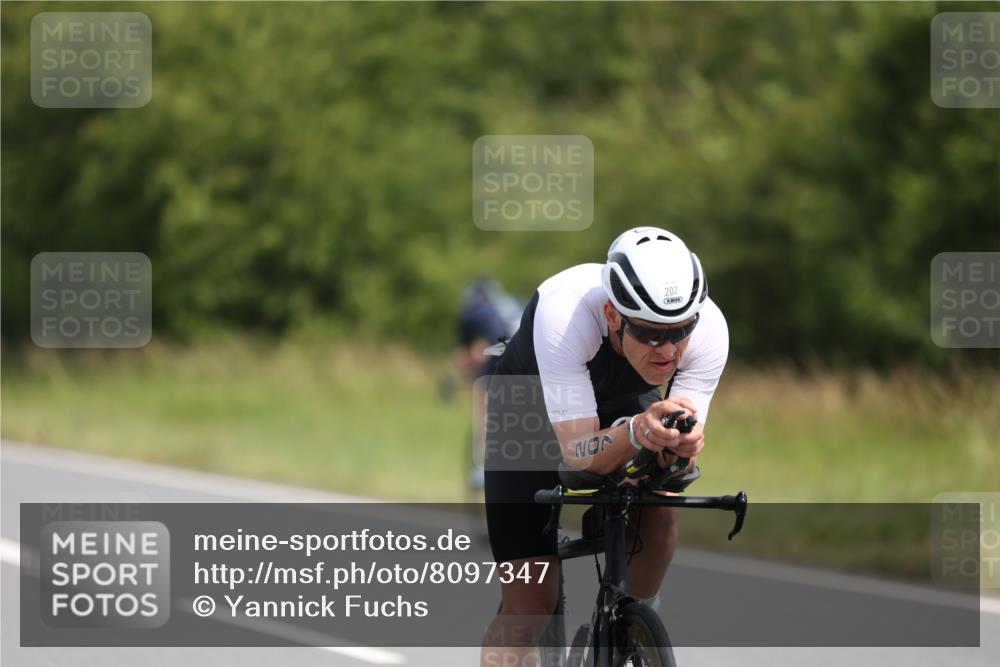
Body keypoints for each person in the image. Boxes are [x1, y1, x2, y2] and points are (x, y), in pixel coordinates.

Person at [480, 227, 729, 666]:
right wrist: (635, 433)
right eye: (651, 334)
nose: (669, 350)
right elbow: (577, 451)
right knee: (531, 606)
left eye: (680, 331)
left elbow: (679, 450)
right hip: (529, 412)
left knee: (662, 502)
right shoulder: (565, 312)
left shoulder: (709, 328)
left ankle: (635, 625)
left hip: (620, 404)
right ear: (614, 316)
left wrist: (679, 444)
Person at [454, 278, 523, 491]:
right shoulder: (513, 301)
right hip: (533, 346)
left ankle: (481, 465)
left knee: (482, 393)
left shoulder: (471, 311)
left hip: (504, 350)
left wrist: (470, 372)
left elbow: (466, 354)